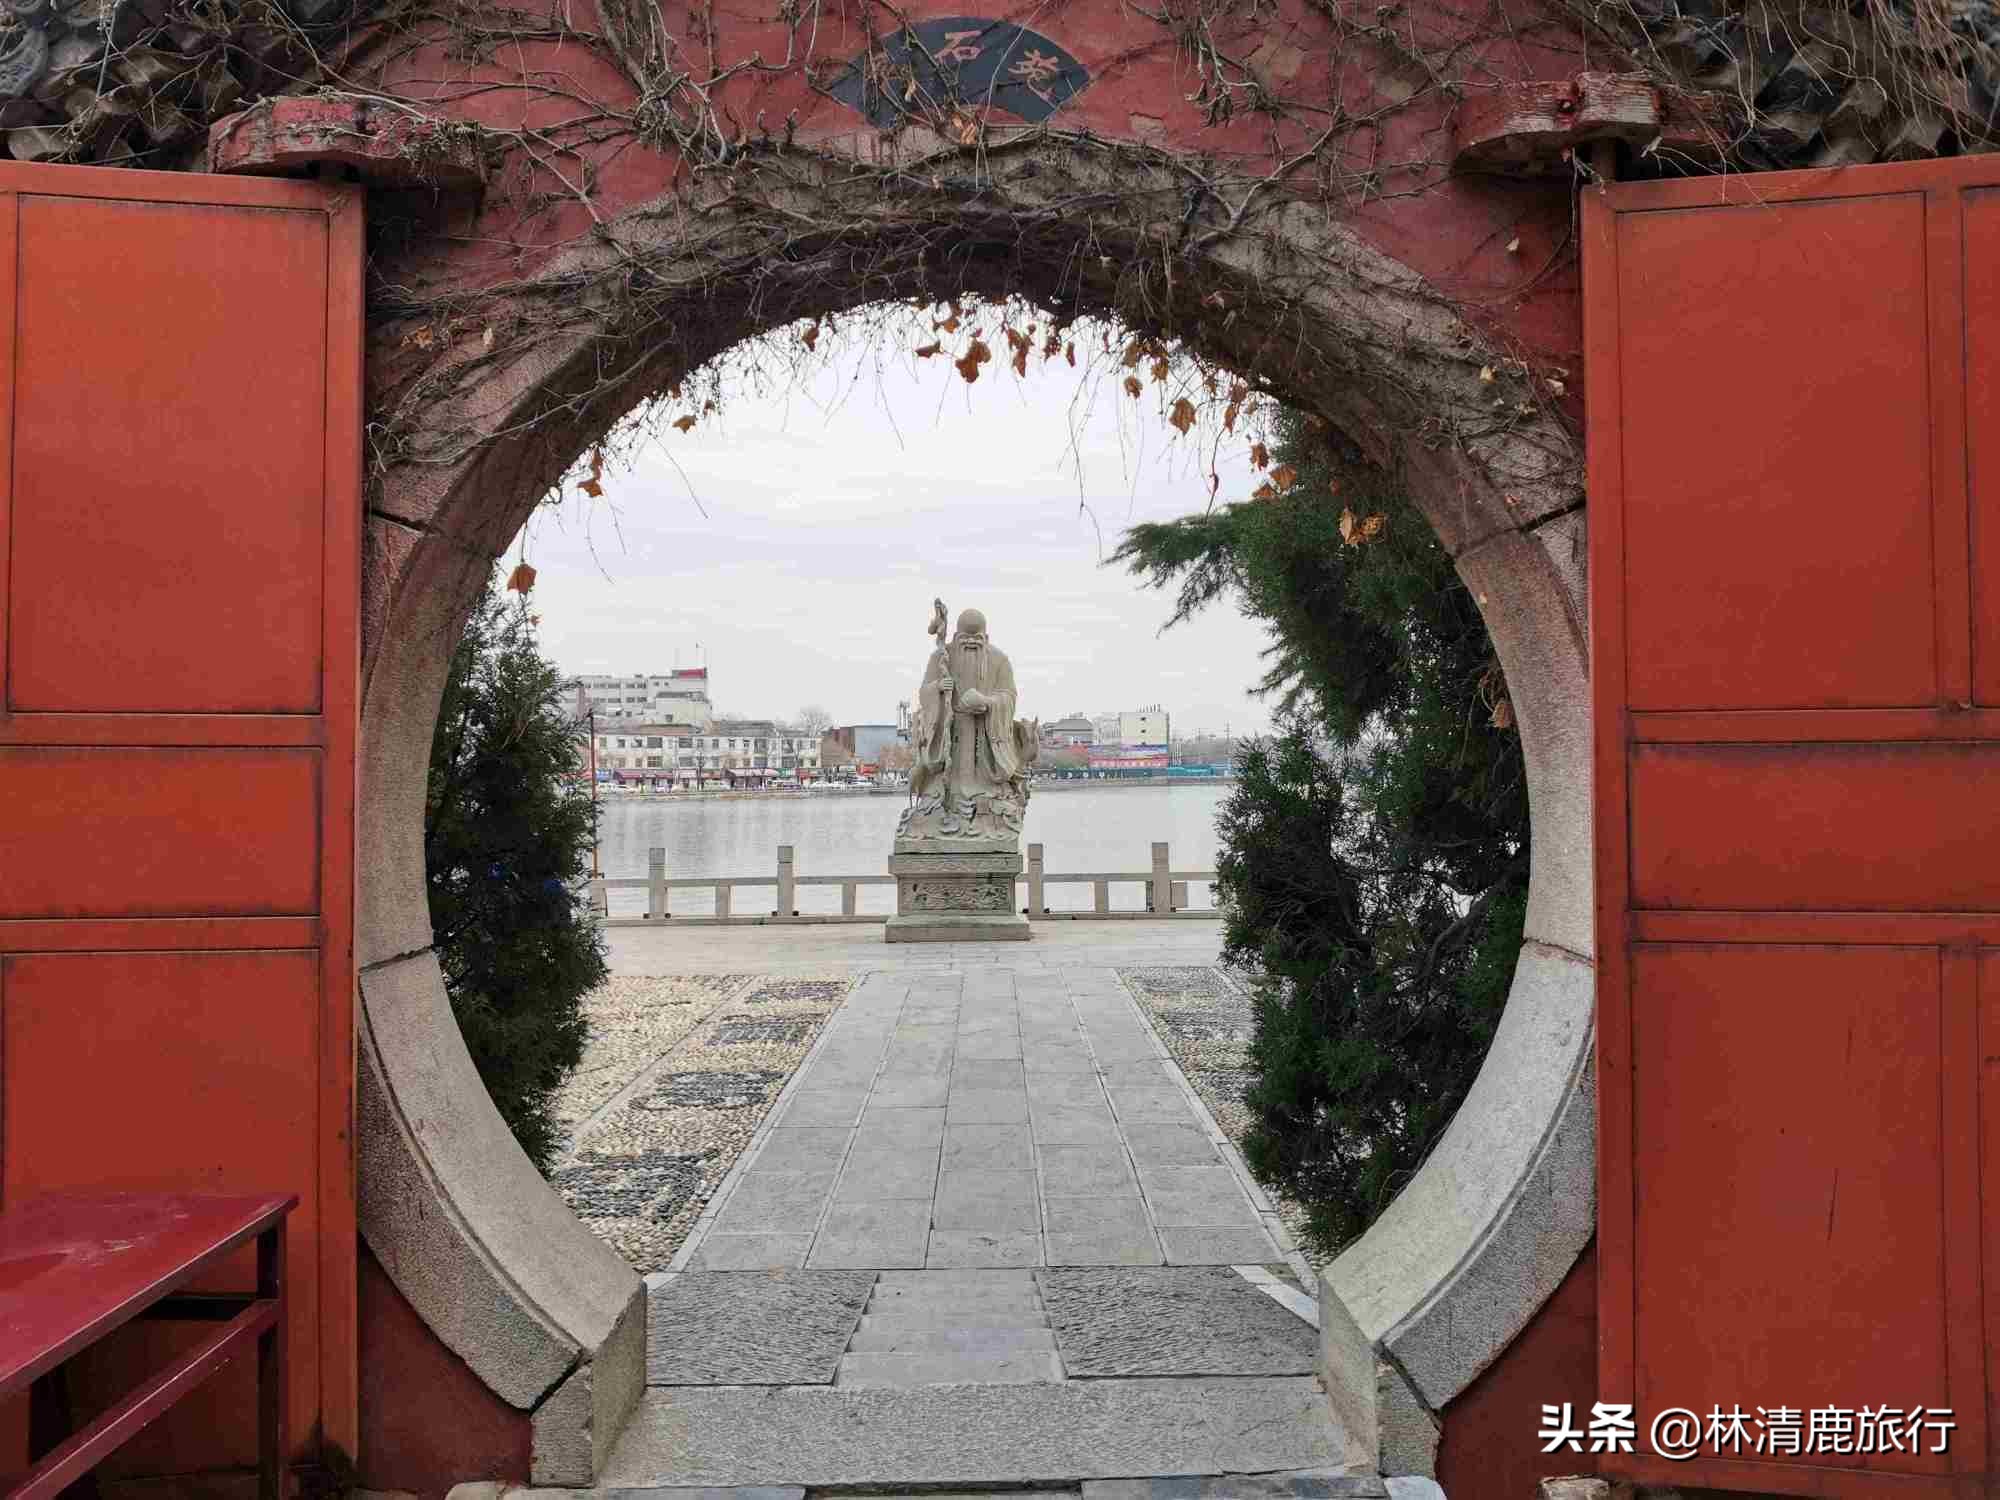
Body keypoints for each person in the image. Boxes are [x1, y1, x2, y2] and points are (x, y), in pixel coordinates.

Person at [903, 607, 1036, 838]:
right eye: (966, 638)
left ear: (985, 637)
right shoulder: (941, 657)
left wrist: (986, 701)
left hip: (984, 734)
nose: (972, 642)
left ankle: (985, 810)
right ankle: (944, 806)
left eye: (977, 638)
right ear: (956, 635)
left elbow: (1009, 696)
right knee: (945, 781)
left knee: (988, 788)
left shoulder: (999, 660)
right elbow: (925, 691)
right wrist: (938, 689)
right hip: (951, 730)